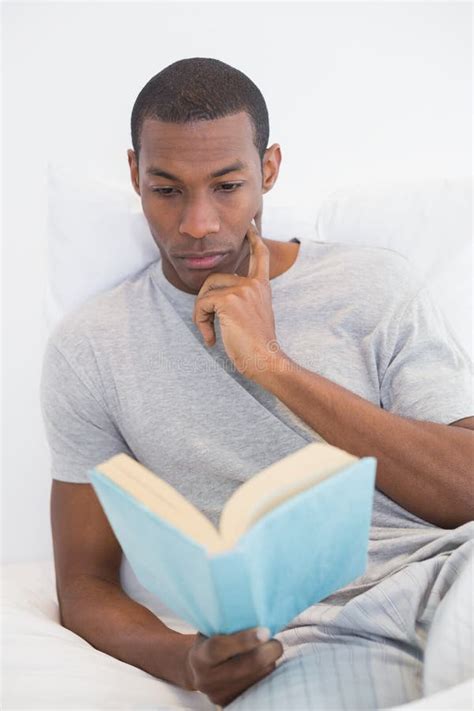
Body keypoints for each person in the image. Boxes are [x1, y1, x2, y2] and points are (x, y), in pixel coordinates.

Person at [40, 57, 474, 710]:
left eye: (226, 186)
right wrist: (187, 660)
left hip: (453, 575)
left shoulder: (371, 284)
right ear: (134, 173)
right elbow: (83, 582)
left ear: (268, 169)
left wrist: (274, 365)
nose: (198, 223)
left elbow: (466, 487)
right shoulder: (91, 348)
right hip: (312, 642)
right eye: (166, 189)